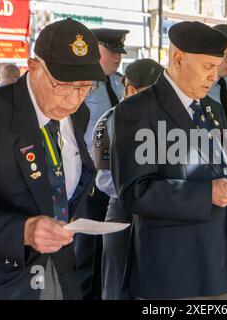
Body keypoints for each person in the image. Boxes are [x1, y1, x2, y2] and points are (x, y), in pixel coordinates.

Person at [111, 21, 227, 300]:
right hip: (172, 270)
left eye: (217, 68)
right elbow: (134, 192)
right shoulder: (136, 111)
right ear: (178, 59)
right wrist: (207, 194)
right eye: (207, 67)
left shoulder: (212, 108)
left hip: (218, 265)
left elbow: (222, 168)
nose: (214, 77)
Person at [0, 18, 105, 299]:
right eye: (62, 85)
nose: (72, 100)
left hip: (61, 273)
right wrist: (24, 231)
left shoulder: (78, 114)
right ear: (34, 67)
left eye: (85, 87)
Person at [93, 58, 164, 300]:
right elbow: (103, 177)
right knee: (117, 287)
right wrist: (140, 190)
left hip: (158, 212)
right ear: (131, 90)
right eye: (151, 93)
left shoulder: (164, 119)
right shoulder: (109, 121)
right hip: (122, 212)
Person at [75, 27, 129, 300]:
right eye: (113, 51)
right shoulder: (82, 85)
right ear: (96, 50)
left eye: (120, 52)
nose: (118, 57)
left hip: (116, 176)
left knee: (109, 252)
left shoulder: (121, 83)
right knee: (86, 250)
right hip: (89, 178)